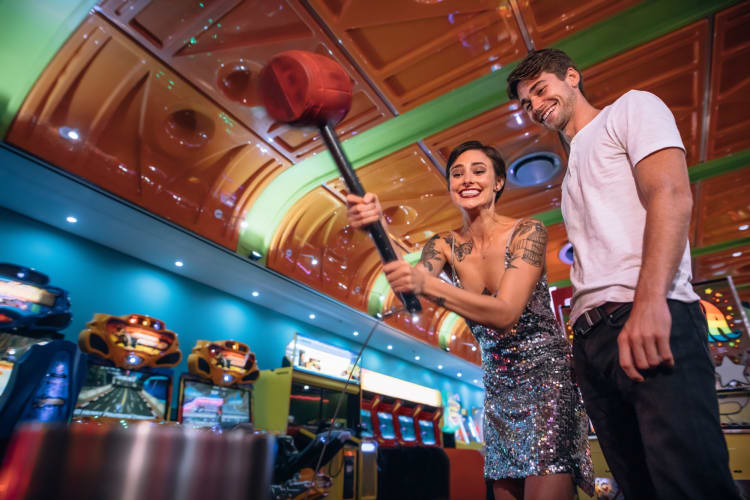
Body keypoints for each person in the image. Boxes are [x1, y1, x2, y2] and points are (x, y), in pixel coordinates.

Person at [506, 49, 741, 500]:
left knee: (690, 484)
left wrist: (651, 303)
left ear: (572, 76)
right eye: (525, 104)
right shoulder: (572, 167)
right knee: (640, 489)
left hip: (646, 313)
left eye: (540, 90)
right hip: (593, 342)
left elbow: (671, 194)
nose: (535, 106)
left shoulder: (631, 108)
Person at [347, 141, 593, 500]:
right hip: (497, 386)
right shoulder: (442, 244)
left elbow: (506, 314)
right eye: (457, 173)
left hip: (547, 383)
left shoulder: (529, 231)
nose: (467, 179)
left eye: (479, 171)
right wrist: (376, 230)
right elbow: (411, 290)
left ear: (497, 183)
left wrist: (428, 285)